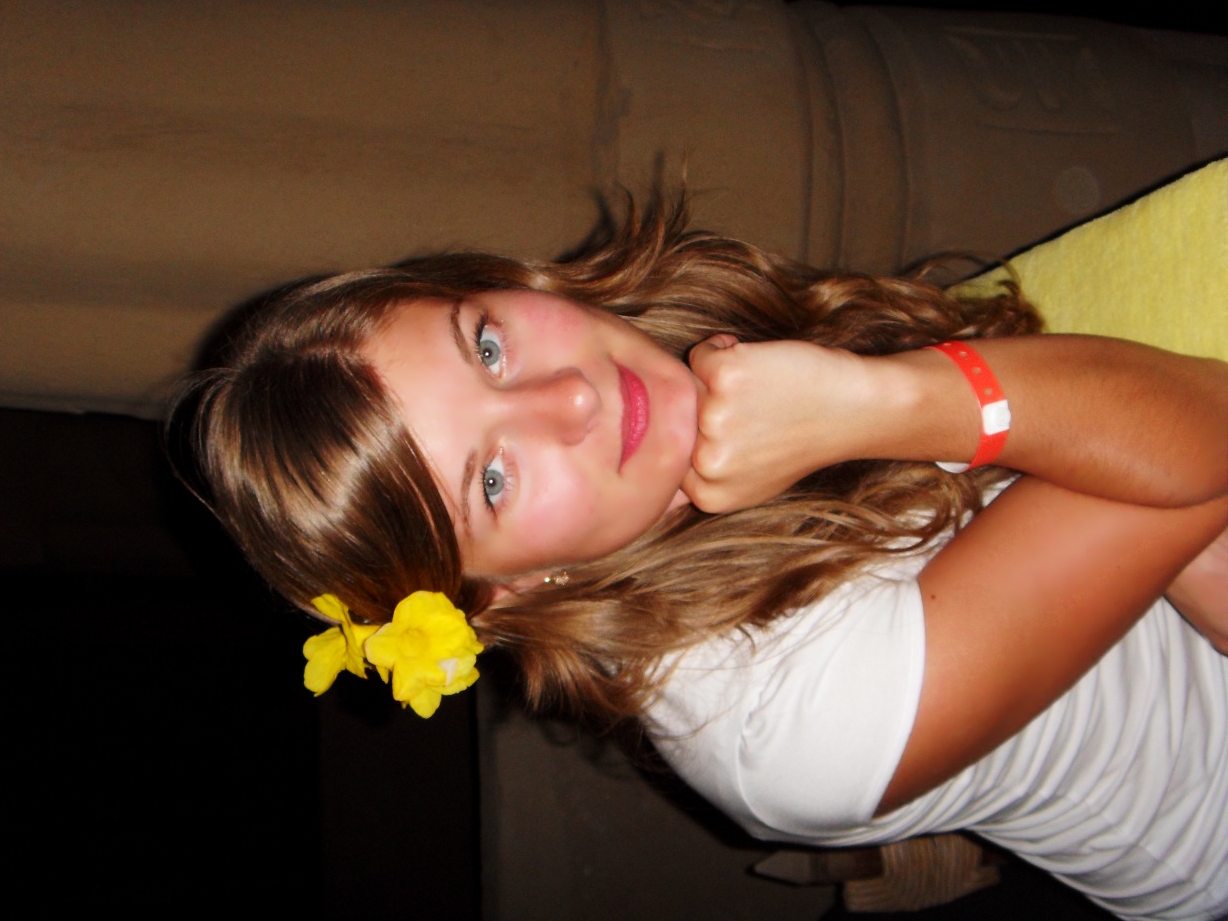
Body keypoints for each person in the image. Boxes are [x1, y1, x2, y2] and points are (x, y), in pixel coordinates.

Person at [170, 199, 1228, 920]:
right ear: (505, 593)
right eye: (490, 480)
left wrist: (1124, 482)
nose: (567, 397)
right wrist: (883, 400)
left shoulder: (703, 345)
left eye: (487, 345)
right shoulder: (783, 727)